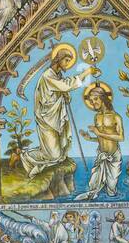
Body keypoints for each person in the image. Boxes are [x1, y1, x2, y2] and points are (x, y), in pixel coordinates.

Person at [21, 44, 92, 177]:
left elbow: (60, 89)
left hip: (55, 116)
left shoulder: (56, 75)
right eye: (66, 60)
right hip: (46, 118)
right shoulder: (48, 75)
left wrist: (64, 95)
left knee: (59, 154)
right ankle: (24, 156)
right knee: (54, 156)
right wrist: (85, 73)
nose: (68, 64)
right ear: (58, 59)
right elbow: (65, 86)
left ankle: (37, 160)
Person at [75, 82, 124, 200]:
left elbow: (121, 138)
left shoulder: (115, 116)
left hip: (113, 156)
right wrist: (89, 138)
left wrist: (99, 133)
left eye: (95, 99)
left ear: (103, 98)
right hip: (101, 154)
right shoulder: (97, 117)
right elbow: (101, 139)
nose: (93, 103)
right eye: (91, 101)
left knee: (111, 191)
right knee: (93, 185)